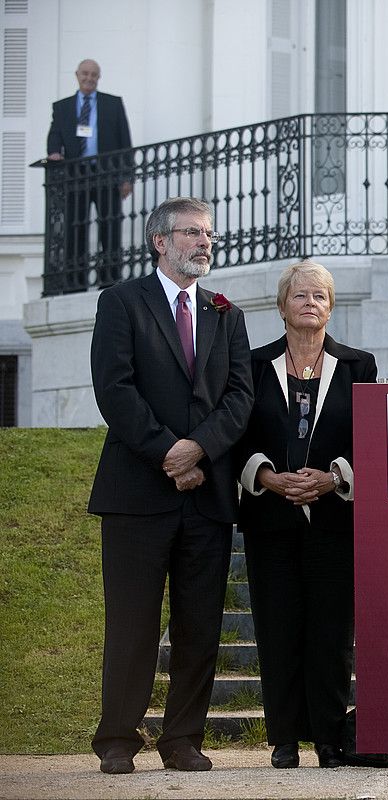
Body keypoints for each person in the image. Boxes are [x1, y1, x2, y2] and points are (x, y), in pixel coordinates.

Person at [88, 197, 253, 774]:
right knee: (131, 624)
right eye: (191, 233)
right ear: (160, 241)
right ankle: (116, 740)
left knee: (200, 625)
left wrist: (199, 449)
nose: (205, 243)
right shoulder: (121, 302)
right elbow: (115, 389)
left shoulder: (225, 312)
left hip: (206, 495)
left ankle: (182, 739)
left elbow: (240, 396)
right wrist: (167, 451)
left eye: (208, 233)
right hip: (136, 493)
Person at [236, 260, 377, 770]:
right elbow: (237, 437)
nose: (310, 303)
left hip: (335, 522)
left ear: (332, 307)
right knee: (277, 630)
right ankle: (284, 740)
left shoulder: (360, 366)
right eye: (300, 295)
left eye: (320, 295)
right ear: (281, 306)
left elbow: (370, 438)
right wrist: (268, 477)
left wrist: (334, 477)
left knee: (331, 634)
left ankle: (328, 738)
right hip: (269, 520)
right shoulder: (250, 365)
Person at [46, 58, 133, 291]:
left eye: (94, 74)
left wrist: (127, 177)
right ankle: (76, 281)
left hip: (106, 173)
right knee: (76, 227)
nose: (89, 78)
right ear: (77, 75)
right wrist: (54, 153)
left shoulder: (112, 104)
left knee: (110, 225)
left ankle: (110, 279)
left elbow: (125, 141)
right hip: (76, 175)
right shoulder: (62, 107)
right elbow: (54, 135)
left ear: (98, 77)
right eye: (85, 73)